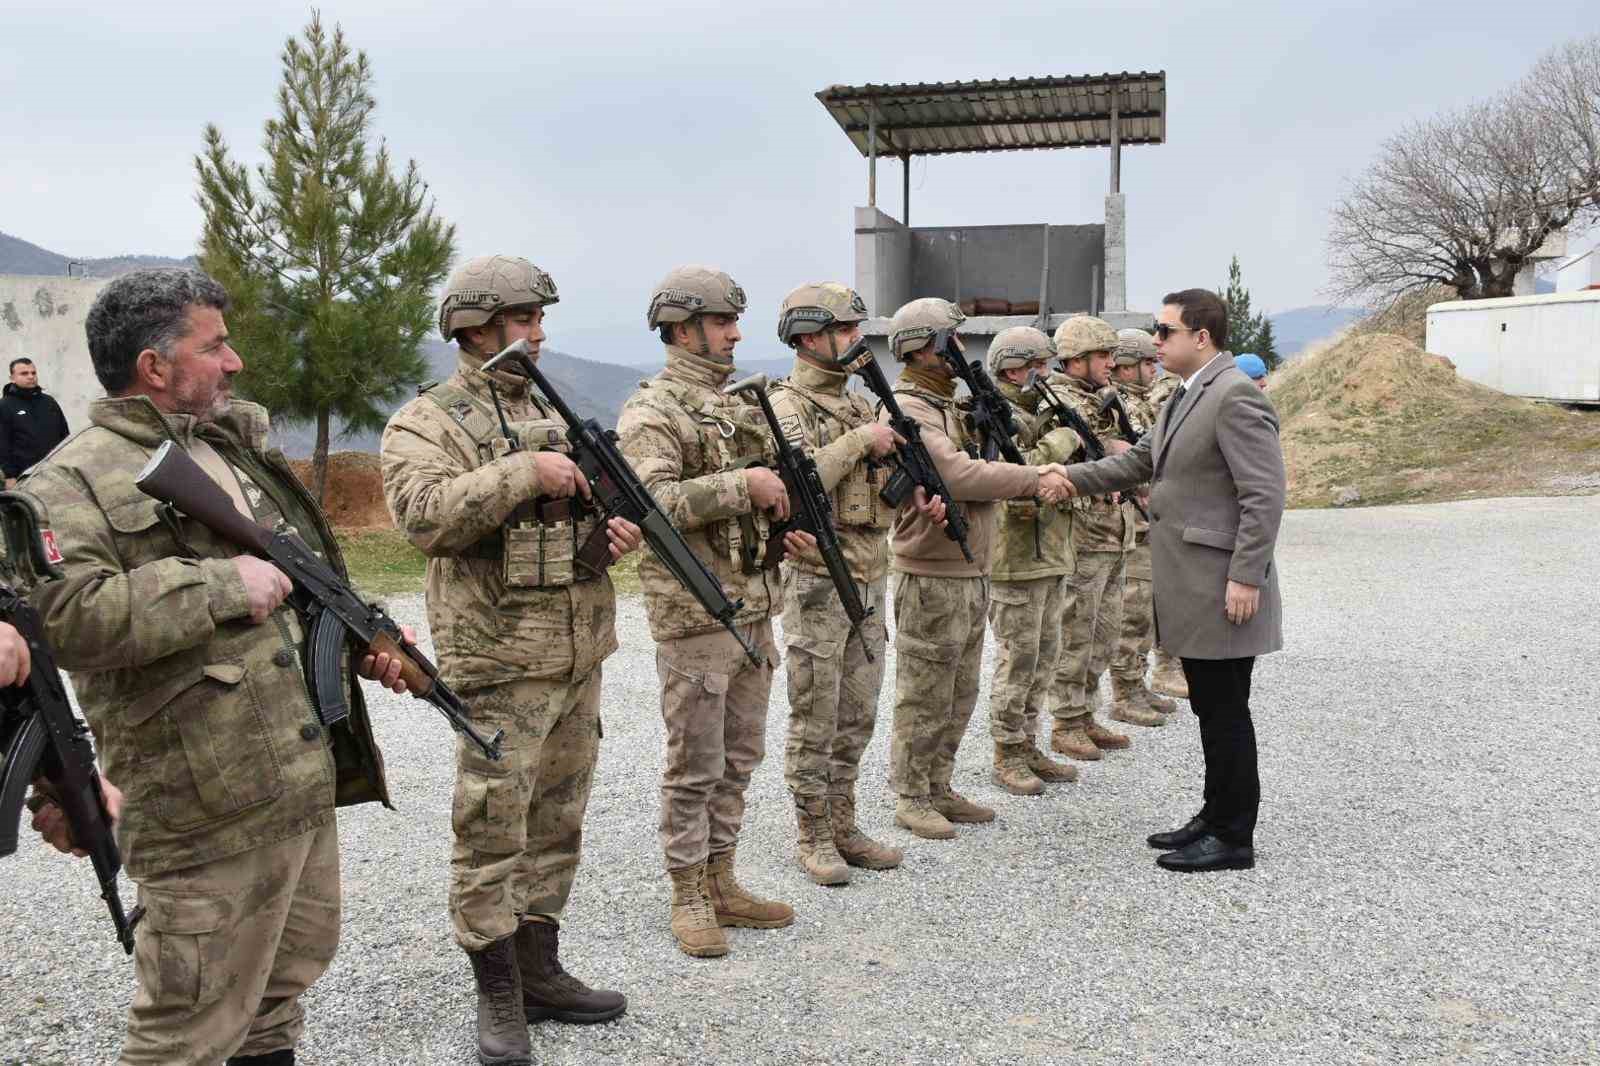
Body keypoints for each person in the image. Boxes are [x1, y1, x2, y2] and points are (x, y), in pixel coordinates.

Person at [23, 267, 410, 1066]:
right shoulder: (66, 481)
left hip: (292, 781)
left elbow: (298, 573)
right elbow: (67, 621)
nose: (234, 362)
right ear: (153, 366)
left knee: (277, 996)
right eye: (216, 345)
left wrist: (361, 634)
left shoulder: (229, 451)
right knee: (187, 1031)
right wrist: (221, 584)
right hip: (199, 808)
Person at [381, 255, 640, 1065]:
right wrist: (523, 470)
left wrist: (603, 545)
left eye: (538, 319)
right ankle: (497, 992)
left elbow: (564, 534)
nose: (538, 332)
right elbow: (424, 518)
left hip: (575, 652)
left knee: (558, 817)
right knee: (493, 827)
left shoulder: (553, 411)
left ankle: (540, 969)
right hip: (498, 660)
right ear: (476, 327)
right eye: (525, 318)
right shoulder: (429, 419)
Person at [1059, 288, 1286, 873]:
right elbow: (1139, 462)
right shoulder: (1189, 394)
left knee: (1227, 708)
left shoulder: (1233, 395)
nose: (1156, 342)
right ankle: (1214, 815)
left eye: (1165, 332)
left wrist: (1245, 577)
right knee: (1212, 706)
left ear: (1201, 337)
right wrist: (1061, 476)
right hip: (1197, 584)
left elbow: (1263, 496)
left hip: (1221, 584)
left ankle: (1235, 836)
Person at [617, 265, 807, 958]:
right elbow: (649, 503)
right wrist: (742, 484)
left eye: (733, 322)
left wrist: (783, 524)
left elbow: (761, 499)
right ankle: (688, 892)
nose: (733, 334)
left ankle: (722, 876)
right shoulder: (652, 410)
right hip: (696, 613)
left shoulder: (737, 405)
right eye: (722, 322)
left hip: (754, 606)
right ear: (681, 328)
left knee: (740, 755)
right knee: (695, 762)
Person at [879, 298, 1072, 840]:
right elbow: (959, 475)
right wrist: (1034, 477)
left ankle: (939, 784)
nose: (963, 351)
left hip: (968, 568)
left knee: (960, 689)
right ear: (926, 347)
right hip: (930, 571)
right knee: (924, 690)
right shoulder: (908, 409)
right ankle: (911, 794)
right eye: (953, 342)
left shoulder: (947, 405)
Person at [767, 283, 909, 884]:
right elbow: (794, 487)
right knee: (815, 711)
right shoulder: (784, 405)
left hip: (872, 572)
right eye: (845, 330)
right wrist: (860, 442)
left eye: (856, 329)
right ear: (807, 337)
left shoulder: (856, 404)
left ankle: (844, 820)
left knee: (858, 710)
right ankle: (813, 831)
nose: (856, 340)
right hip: (817, 581)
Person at [1045, 316, 1151, 765]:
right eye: (1103, 356)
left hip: (1116, 530)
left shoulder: (1104, 400)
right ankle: (1066, 720)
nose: (1112, 363)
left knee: (1104, 631)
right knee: (1076, 630)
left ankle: (1085, 711)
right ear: (1076, 360)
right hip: (1083, 534)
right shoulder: (1056, 402)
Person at [981, 326, 1083, 796]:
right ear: (1013, 368)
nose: (1045, 374)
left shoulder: (1038, 410)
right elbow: (1014, 469)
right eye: (1038, 365)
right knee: (1017, 661)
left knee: (1045, 657)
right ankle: (1006, 751)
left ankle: (1028, 741)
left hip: (1052, 551)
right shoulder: (991, 414)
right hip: (1014, 556)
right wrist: (1061, 442)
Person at [1107, 329, 1180, 721]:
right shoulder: (1113, 403)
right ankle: (1125, 692)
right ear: (1124, 366)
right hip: (1131, 521)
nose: (1153, 369)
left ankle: (1139, 683)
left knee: (1148, 610)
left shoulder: (1145, 402)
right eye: (1145, 363)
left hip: (1153, 520)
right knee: (1132, 610)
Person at [1, 357, 71, 487]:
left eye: (33, 373)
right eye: (24, 373)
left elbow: (65, 434)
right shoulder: (4, 406)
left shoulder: (49, 402)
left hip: (56, 473)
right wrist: (9, 475)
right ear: (12, 378)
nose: (31, 376)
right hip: (25, 476)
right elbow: (3, 443)